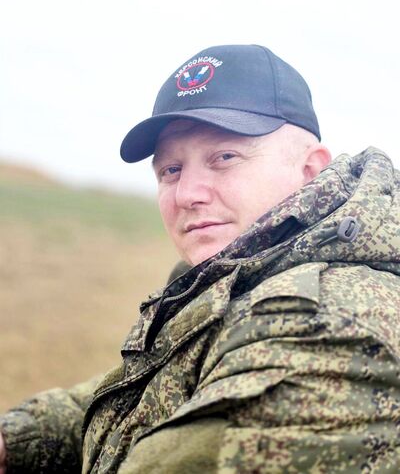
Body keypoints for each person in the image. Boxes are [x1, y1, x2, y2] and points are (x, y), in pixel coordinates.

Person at [1, 44, 400, 473]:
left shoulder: (324, 323)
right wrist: (16, 441)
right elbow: (154, 395)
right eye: (171, 170)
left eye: (224, 157)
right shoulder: (240, 277)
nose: (187, 194)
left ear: (309, 170)